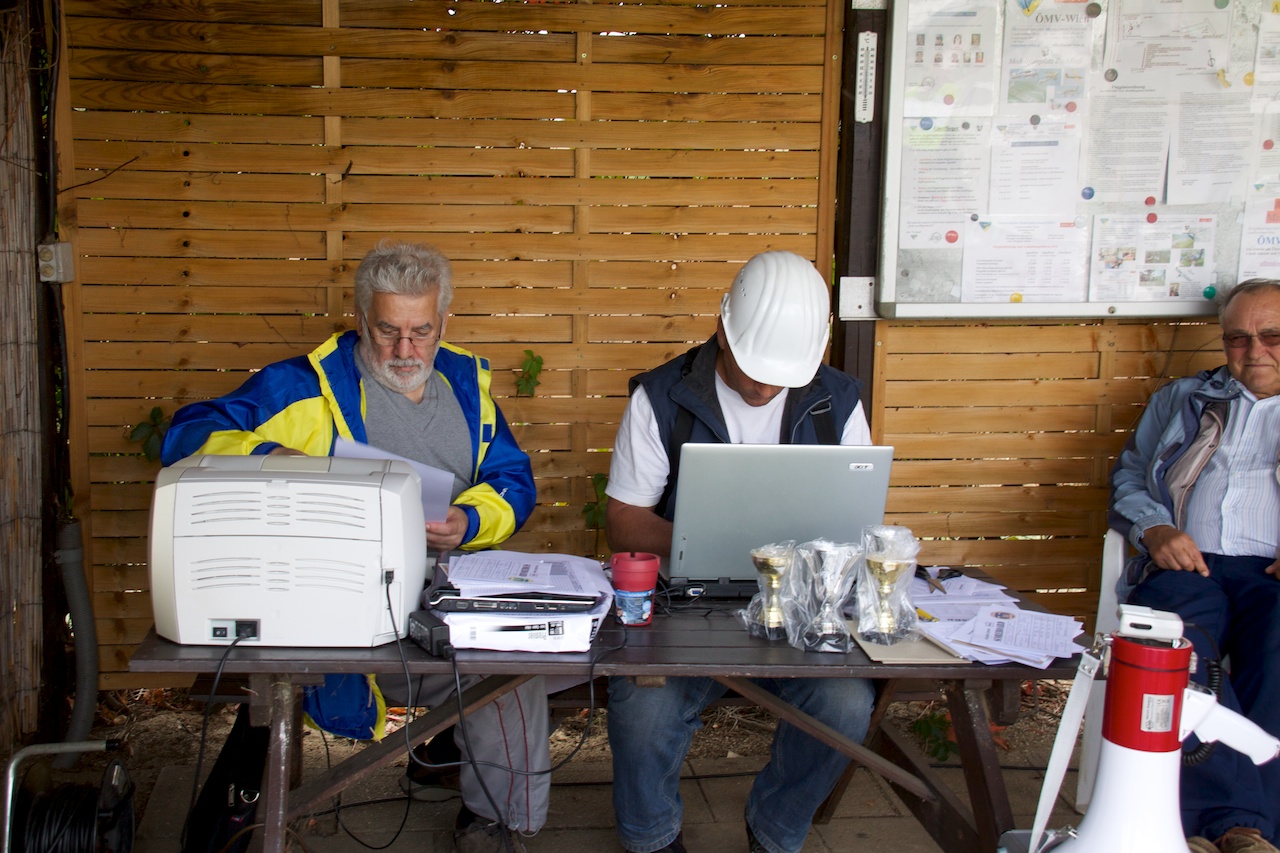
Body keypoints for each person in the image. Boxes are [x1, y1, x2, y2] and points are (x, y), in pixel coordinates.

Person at [161, 240, 545, 853]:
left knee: (561, 649)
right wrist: (270, 456)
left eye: (421, 332)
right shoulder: (302, 386)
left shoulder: (466, 385)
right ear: (361, 319)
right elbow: (186, 435)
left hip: (450, 591)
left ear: (444, 322)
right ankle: (497, 826)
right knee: (510, 677)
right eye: (388, 331)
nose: (405, 350)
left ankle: (465, 777)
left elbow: (513, 479)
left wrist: (468, 521)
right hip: (345, 605)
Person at [602, 250, 876, 853]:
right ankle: (652, 838)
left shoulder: (837, 400)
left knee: (844, 705)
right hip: (684, 605)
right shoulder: (663, 397)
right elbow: (623, 523)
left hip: (803, 607)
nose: (764, 387)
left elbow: (856, 522)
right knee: (644, 708)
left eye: (781, 377)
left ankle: (776, 831)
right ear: (723, 330)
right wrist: (708, 537)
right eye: (754, 370)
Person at [1109, 278, 1280, 853]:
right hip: (1188, 568)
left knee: (1278, 652)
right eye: (1238, 338)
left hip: (1271, 572)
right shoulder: (1184, 399)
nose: (1254, 351)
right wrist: (1154, 529)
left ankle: (1241, 827)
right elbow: (1131, 475)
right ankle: (1235, 827)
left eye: (1272, 336)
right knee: (1178, 648)